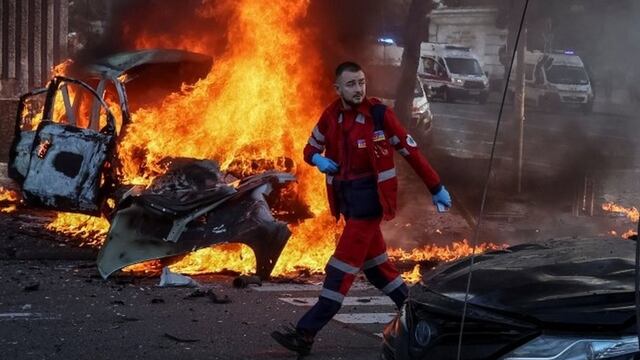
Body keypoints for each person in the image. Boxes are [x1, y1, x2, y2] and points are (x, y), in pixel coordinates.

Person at [271, 61, 451, 356]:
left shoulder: (379, 116)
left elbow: (411, 151)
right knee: (379, 270)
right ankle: (420, 315)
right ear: (338, 88)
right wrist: (318, 160)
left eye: (362, 82)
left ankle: (305, 332)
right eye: (352, 84)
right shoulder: (331, 117)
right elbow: (309, 149)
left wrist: (436, 187)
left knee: (340, 270)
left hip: (369, 205)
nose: (359, 89)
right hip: (348, 204)